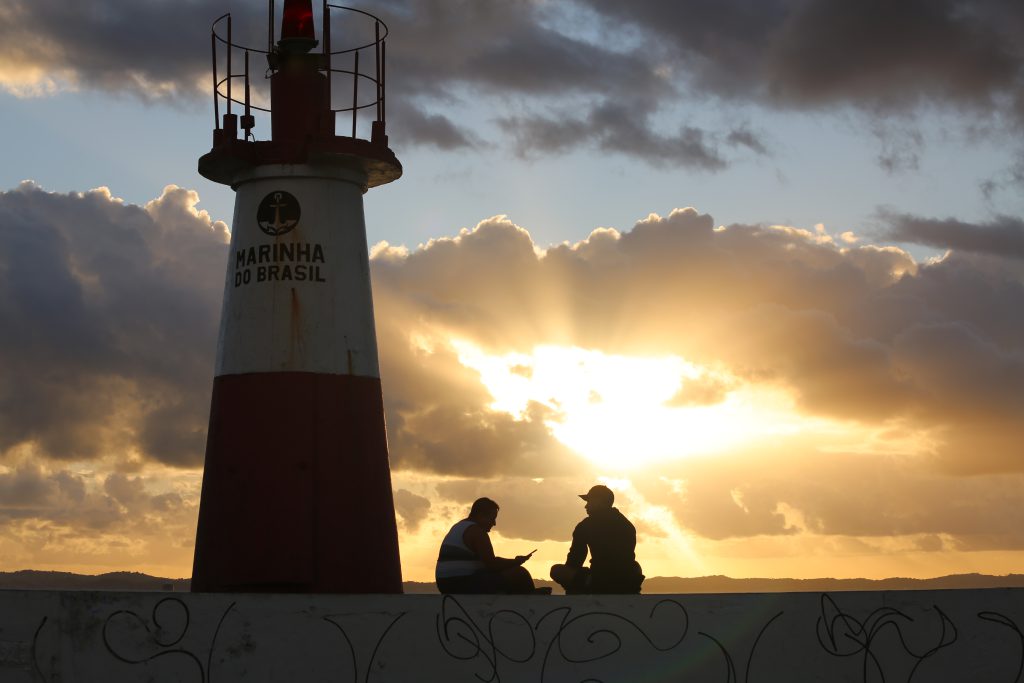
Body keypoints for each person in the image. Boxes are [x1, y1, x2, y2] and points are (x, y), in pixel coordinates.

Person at [435, 497, 542, 594]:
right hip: (460, 583)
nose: (494, 523)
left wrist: (514, 561)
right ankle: (532, 601)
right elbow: (492, 564)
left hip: (445, 583)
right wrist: (515, 563)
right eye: (492, 518)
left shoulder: (459, 526)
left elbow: (489, 561)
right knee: (519, 573)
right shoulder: (477, 531)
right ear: (480, 515)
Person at [550, 484, 644, 594]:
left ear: (599, 502)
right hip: (627, 581)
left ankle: (578, 597)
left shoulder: (586, 525)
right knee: (635, 565)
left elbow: (575, 559)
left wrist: (574, 578)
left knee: (557, 571)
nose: (586, 506)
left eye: (589, 502)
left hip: (599, 581)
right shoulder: (627, 524)